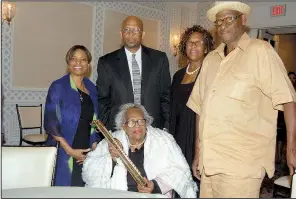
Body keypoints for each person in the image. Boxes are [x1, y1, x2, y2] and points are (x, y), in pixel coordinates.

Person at [187, 1, 296, 198]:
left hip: (242, 166)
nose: (223, 25)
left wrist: (291, 147)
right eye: (219, 22)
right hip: (209, 162)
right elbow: (200, 110)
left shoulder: (261, 51)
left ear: (243, 20)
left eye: (229, 18)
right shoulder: (211, 59)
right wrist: (198, 152)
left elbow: (288, 99)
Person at [82, 103, 197, 198]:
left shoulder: (163, 140)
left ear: (146, 123)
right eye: (131, 122)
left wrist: (155, 186)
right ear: (123, 126)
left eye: (141, 121)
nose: (137, 126)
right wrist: (110, 158)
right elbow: (89, 172)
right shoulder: (110, 141)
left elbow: (179, 171)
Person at [96, 16, 171, 131]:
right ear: (121, 34)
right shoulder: (106, 62)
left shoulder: (159, 59)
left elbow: (166, 96)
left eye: (136, 30)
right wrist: (108, 133)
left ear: (143, 34)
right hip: (120, 129)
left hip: (153, 129)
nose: (131, 33)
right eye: (127, 30)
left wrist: (167, 127)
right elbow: (103, 100)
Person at [44, 45, 101, 186]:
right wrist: (70, 151)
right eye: (74, 59)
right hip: (64, 151)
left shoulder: (92, 88)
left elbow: (95, 121)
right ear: (68, 62)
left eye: (83, 60)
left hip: (85, 152)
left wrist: (93, 150)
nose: (78, 63)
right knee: (63, 190)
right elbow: (51, 122)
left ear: (88, 65)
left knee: (82, 189)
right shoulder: (58, 87)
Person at [170, 25, 214, 173]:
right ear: (184, 47)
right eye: (189, 42)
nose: (193, 45)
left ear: (206, 48)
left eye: (199, 42)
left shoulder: (211, 74)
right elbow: (172, 109)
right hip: (178, 133)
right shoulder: (177, 75)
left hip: (199, 134)